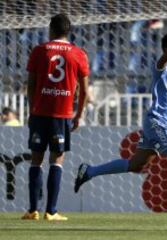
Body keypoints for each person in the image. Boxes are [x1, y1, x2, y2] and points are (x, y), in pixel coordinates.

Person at [74, 31, 167, 222]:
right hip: (157, 122)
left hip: (162, 123)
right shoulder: (161, 67)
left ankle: (89, 171)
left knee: (135, 164)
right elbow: (164, 60)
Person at [22, 13, 89, 221]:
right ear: (68, 31)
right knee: (57, 160)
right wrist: (79, 114)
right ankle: (51, 211)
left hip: (40, 113)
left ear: (51, 29)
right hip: (62, 114)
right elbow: (85, 90)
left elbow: (30, 85)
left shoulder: (39, 51)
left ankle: (32, 210)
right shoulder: (78, 54)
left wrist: (32, 110)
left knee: (36, 160)